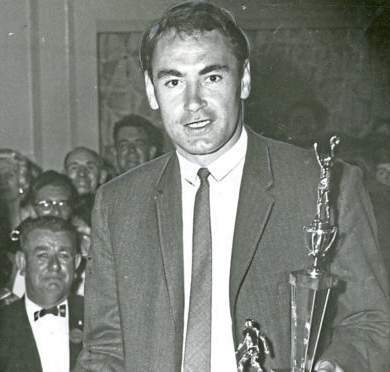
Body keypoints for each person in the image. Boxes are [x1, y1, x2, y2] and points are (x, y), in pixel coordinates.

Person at [74, 2, 390, 372]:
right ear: (150, 90)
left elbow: (369, 323)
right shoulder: (117, 203)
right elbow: (104, 350)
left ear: (244, 80)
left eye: (212, 77)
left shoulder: (325, 186)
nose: (193, 103)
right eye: (173, 81)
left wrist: (336, 365)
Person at [0, 216, 84, 372]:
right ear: (22, 262)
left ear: (77, 263)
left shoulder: (100, 321)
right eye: (43, 255)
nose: (54, 266)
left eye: (64, 256)